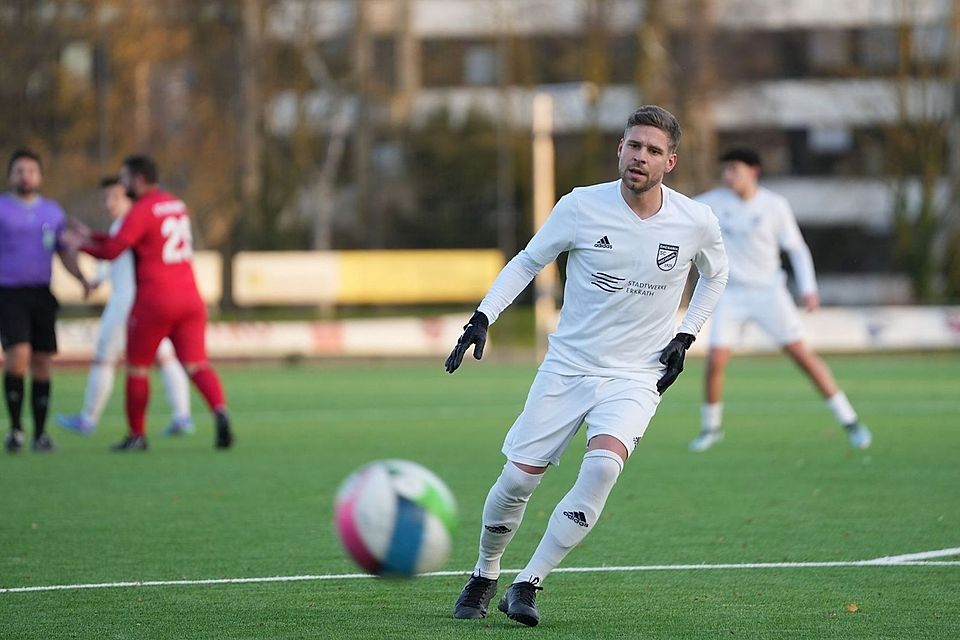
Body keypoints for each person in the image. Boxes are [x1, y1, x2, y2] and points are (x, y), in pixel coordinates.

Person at [445, 106, 728, 626]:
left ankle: (528, 583)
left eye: (652, 150)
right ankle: (485, 573)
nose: (640, 156)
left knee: (601, 468)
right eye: (633, 145)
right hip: (568, 367)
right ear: (619, 150)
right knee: (516, 482)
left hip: (637, 375)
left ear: (671, 162)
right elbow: (529, 260)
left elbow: (717, 274)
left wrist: (686, 335)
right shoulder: (580, 207)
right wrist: (483, 316)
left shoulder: (696, 221)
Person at [688, 148, 872, 452]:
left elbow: (797, 249)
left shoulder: (775, 206)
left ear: (753, 172)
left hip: (769, 293)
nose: (727, 175)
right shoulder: (711, 204)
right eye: (725, 169)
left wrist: (808, 288)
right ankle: (711, 428)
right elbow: (678, 219)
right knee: (715, 362)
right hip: (730, 294)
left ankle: (850, 421)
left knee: (803, 357)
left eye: (734, 169)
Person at [70, 154, 233, 451]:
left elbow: (113, 250)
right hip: (191, 298)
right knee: (196, 364)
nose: (124, 184)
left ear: (139, 179)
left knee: (137, 368)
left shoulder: (141, 209)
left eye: (126, 179)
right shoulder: (176, 203)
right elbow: (132, 238)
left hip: (155, 300)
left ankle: (137, 435)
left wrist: (79, 244)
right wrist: (90, 234)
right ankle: (220, 411)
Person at [56, 177, 193, 437]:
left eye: (115, 197)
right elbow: (114, 252)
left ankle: (88, 418)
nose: (109, 203)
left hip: (128, 302)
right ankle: (182, 416)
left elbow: (112, 251)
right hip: (148, 301)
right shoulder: (136, 221)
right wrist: (89, 240)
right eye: (106, 198)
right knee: (164, 357)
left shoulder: (133, 221)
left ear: (131, 196)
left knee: (105, 358)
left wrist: (84, 246)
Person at [1, 148, 91, 453]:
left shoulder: (52, 212)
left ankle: (40, 433)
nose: (25, 176)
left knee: (42, 362)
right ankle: (15, 429)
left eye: (31, 171)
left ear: (39, 176)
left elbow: (64, 251)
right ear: (10, 175)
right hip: (9, 293)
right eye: (19, 171)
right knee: (18, 356)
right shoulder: (2, 208)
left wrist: (81, 278)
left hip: (41, 293)